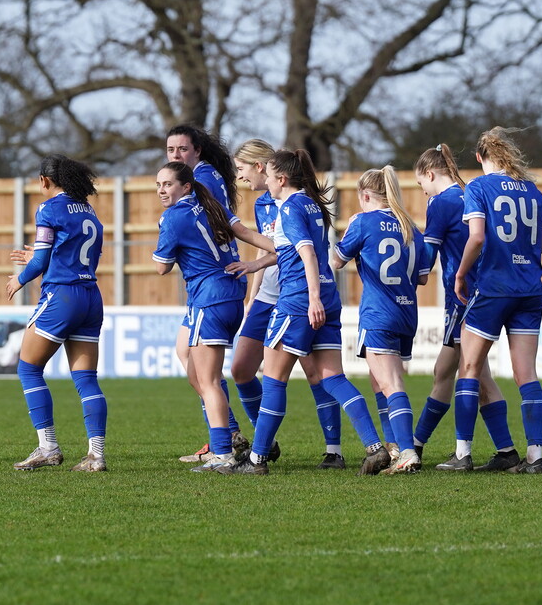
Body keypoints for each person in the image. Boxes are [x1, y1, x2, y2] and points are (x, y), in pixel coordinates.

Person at [220, 149, 390, 475]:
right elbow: (287, 250)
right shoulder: (312, 204)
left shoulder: (290, 207)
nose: (266, 181)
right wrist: (251, 252)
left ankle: (256, 460)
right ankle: (374, 447)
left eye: (269, 176)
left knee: (273, 381)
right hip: (329, 297)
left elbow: (308, 254)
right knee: (333, 378)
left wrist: (311, 299)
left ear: (281, 179)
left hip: (298, 301)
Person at [231, 139, 345, 469]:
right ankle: (264, 442)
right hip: (268, 296)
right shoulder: (264, 204)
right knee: (241, 369)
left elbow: (297, 249)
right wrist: (252, 296)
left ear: (262, 168)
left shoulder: (293, 202)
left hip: (295, 296)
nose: (240, 178)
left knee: (313, 373)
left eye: (241, 169)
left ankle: (331, 448)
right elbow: (267, 250)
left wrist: (241, 233)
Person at [153, 162, 268, 472]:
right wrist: (278, 252)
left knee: (208, 380)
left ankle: (224, 452)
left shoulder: (174, 217)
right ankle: (228, 443)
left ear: (186, 186)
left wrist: (167, 237)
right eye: (159, 185)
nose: (162, 190)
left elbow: (162, 267)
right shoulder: (211, 204)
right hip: (229, 296)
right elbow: (244, 233)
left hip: (210, 299)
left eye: (168, 184)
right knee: (197, 373)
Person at [453, 127, 542, 474]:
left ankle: (462, 453)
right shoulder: (532, 190)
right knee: (526, 373)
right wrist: (522, 253)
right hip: (528, 289)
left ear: (480, 157)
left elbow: (477, 237)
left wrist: (461, 272)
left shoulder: (479, 187)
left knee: (469, 367)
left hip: (494, 286)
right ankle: (535, 457)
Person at [411, 144, 518, 472]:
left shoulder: (440, 204)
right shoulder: (469, 194)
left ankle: (426, 448)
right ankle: (416, 445)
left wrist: (408, 268)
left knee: (471, 375)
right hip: (483, 293)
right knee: (451, 372)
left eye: (421, 184)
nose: (422, 190)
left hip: (462, 299)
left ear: (430, 174)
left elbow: (427, 262)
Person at [7, 154, 108, 472]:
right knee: (86, 379)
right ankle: (96, 455)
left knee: (28, 369)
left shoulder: (49, 208)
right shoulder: (87, 209)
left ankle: (48, 447)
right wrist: (41, 257)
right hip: (90, 295)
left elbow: (39, 262)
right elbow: (82, 253)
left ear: (44, 181)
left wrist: (19, 278)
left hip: (62, 296)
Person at [331, 165, 430, 474]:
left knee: (390, 383)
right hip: (406, 313)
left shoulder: (362, 221)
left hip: (379, 312)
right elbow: (424, 278)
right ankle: (395, 445)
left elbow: (336, 261)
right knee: (380, 382)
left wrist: (336, 236)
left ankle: (407, 453)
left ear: (366, 195)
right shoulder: (412, 227)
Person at [164, 124, 247, 462]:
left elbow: (215, 224)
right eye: (171, 151)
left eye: (181, 149)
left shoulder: (203, 178)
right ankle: (226, 432)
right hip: (210, 282)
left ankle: (225, 438)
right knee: (186, 354)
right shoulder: (201, 176)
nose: (175, 155)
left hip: (213, 282)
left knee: (203, 372)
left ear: (196, 150)